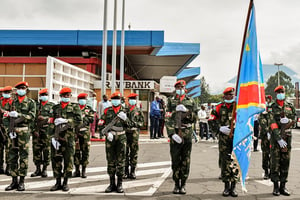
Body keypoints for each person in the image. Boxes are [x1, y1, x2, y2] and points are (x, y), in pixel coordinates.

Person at [165, 80, 197, 194]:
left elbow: (195, 118)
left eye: (182, 86)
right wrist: (171, 133)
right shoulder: (170, 101)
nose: (180, 88)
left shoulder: (191, 100)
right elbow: (167, 117)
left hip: (187, 132)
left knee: (185, 160)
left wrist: (186, 111)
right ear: (175, 88)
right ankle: (176, 184)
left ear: (185, 88)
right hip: (175, 133)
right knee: (175, 160)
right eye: (178, 87)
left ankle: (183, 184)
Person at [4, 81, 36, 191]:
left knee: (23, 156)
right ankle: (14, 181)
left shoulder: (31, 102)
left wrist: (19, 115)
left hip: (24, 131)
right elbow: (5, 117)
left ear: (26, 90)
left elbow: (32, 116)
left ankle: (22, 181)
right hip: (13, 132)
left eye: (23, 88)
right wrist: (9, 129)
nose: (21, 90)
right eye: (19, 88)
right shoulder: (12, 102)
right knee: (12, 156)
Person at [49, 87, 82, 192]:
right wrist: (52, 138)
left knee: (68, 160)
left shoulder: (75, 107)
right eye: (64, 95)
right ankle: (58, 182)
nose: (66, 97)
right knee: (56, 160)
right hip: (57, 137)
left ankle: (65, 182)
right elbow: (50, 123)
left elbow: (79, 121)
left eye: (68, 95)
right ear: (61, 96)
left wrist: (66, 120)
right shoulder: (55, 108)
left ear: (70, 96)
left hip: (68, 138)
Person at [98, 92, 129, 193]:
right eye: (114, 99)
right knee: (110, 161)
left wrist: (126, 119)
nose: (116, 100)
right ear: (111, 100)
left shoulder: (125, 110)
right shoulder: (107, 111)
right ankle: (111, 184)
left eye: (118, 98)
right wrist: (107, 134)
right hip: (110, 138)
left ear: (121, 100)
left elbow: (132, 124)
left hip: (121, 137)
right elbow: (101, 125)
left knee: (121, 161)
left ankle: (119, 184)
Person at [210, 87, 239, 197]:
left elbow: (244, 119)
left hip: (236, 138)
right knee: (225, 162)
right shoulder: (218, 107)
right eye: (229, 95)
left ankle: (234, 187)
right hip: (224, 139)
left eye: (232, 94)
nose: (231, 96)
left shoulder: (238, 107)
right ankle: (226, 187)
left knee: (235, 161)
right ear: (225, 96)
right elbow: (211, 120)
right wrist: (219, 128)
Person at [269, 85, 296, 196]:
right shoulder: (272, 107)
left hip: (287, 139)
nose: (281, 93)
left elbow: (294, 120)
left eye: (282, 91)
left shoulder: (290, 106)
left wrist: (289, 120)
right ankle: (275, 187)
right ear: (276, 94)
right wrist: (278, 138)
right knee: (275, 164)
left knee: (285, 163)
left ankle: (283, 186)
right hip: (276, 140)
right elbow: (271, 123)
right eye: (279, 92)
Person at [31, 88, 54, 178]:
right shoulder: (36, 105)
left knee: (46, 150)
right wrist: (34, 130)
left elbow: (53, 118)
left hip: (47, 131)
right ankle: (37, 169)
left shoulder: (51, 106)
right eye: (42, 95)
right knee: (36, 150)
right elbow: (32, 118)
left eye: (45, 94)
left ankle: (44, 169)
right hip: (37, 131)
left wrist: (44, 118)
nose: (44, 96)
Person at [73, 93, 95, 178]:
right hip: (76, 133)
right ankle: (77, 170)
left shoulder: (89, 109)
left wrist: (81, 118)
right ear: (78, 100)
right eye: (82, 99)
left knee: (85, 151)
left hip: (85, 133)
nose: (83, 101)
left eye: (85, 99)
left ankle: (83, 170)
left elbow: (91, 119)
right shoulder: (75, 108)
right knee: (76, 152)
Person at [124, 93, 144, 180]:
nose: (133, 100)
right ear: (128, 101)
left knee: (134, 153)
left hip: (134, 134)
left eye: (134, 99)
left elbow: (142, 122)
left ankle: (132, 171)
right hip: (125, 133)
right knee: (124, 153)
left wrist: (136, 124)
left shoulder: (138, 110)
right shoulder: (124, 110)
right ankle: (125, 171)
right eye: (131, 99)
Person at [0, 86, 13, 176]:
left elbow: (14, 114)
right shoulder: (0, 102)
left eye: (7, 92)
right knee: (0, 149)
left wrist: (3, 111)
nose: (4, 94)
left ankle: (9, 167)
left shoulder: (13, 102)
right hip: (0, 127)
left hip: (9, 127)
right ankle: (0, 167)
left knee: (9, 149)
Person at [259, 95, 273, 180]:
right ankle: (266, 171)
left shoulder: (273, 110)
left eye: (269, 100)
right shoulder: (262, 110)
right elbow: (262, 121)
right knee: (265, 154)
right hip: (265, 136)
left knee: (273, 154)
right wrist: (267, 131)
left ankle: (272, 171)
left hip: (273, 135)